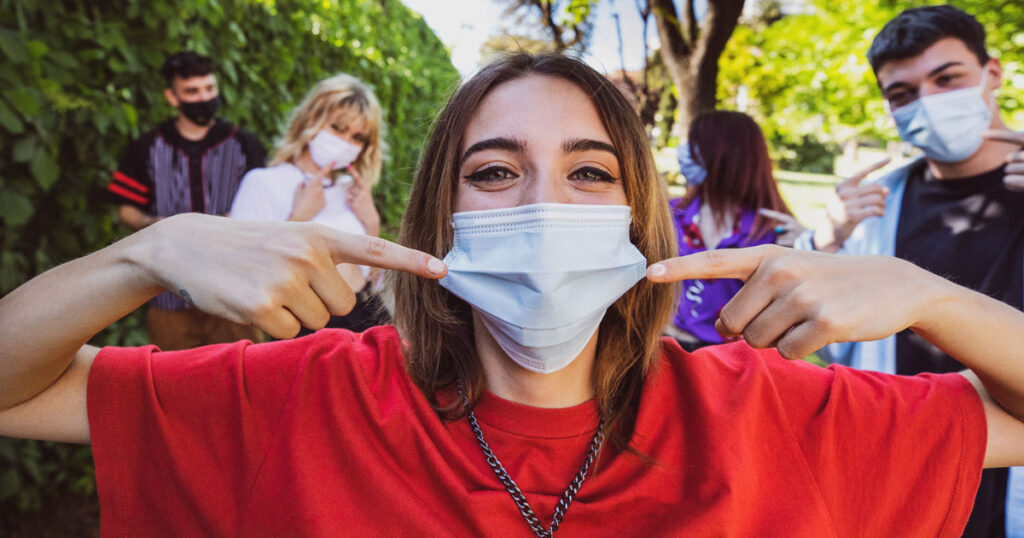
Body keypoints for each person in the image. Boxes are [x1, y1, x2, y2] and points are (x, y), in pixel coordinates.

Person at [1, 53, 1023, 537]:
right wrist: (144, 256)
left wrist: (919, 291)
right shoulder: (305, 395)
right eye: (494, 172)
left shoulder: (767, 410)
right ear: (437, 214)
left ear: (640, 215)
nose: (542, 201)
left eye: (588, 172)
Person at [792, 6, 1024, 535]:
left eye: (948, 79)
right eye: (903, 93)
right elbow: (809, 320)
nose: (930, 103)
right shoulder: (878, 207)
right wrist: (828, 237)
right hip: (916, 460)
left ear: (992, 74)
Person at [104, 50, 267, 350]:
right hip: (166, 287)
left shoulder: (244, 143)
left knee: (243, 371)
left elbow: (268, 205)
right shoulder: (147, 147)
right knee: (171, 378)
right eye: (192, 91)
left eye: (209, 88)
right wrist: (153, 223)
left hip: (234, 285)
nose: (203, 97)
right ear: (172, 96)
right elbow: (126, 210)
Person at [229, 74, 387, 334]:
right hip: (308, 325)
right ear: (311, 119)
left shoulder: (350, 191)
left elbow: (373, 279)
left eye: (358, 137)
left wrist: (371, 222)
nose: (346, 142)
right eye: (337, 128)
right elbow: (244, 279)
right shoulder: (262, 183)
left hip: (369, 313)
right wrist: (298, 219)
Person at [666, 111, 801, 350]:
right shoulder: (670, 214)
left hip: (731, 360)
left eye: (693, 143)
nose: (683, 151)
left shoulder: (770, 232)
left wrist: (807, 247)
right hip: (665, 347)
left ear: (722, 153)